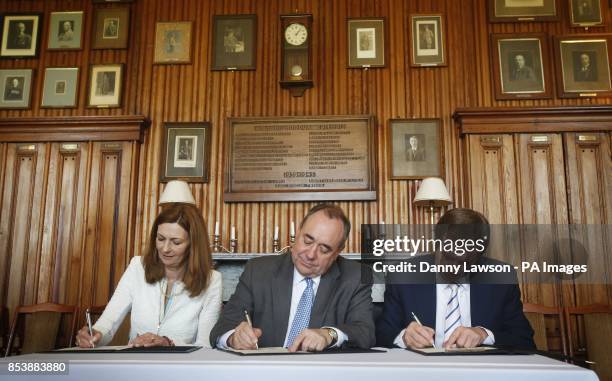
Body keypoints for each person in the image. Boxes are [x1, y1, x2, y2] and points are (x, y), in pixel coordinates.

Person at [210, 204, 375, 352]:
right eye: (307, 240)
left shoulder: (356, 276)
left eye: (324, 249)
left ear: (337, 252)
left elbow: (365, 332)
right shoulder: (258, 271)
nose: (310, 255)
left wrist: (329, 334)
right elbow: (223, 327)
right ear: (298, 232)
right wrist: (233, 338)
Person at [376, 208, 535, 350]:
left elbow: (523, 338)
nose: (453, 267)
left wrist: (484, 334)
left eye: (464, 262)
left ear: (479, 256)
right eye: (448, 256)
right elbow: (381, 334)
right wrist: (404, 337)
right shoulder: (403, 274)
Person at [75, 204, 222, 348]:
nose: (165, 249)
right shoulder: (137, 267)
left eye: (176, 242)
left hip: (181, 369)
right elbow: (108, 323)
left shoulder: (212, 281)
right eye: (160, 239)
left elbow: (205, 346)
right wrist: (95, 335)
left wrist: (168, 343)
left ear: (193, 245)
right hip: (135, 365)